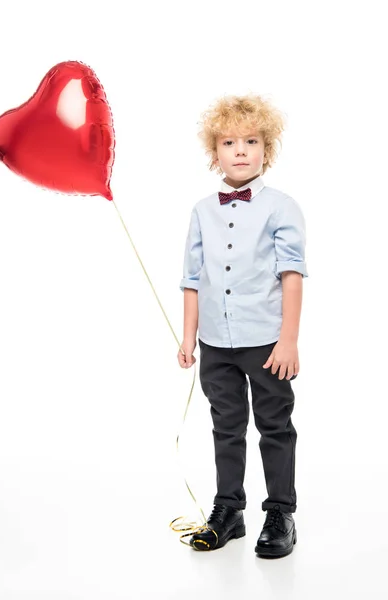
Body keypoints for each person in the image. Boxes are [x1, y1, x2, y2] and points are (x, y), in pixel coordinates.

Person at [177, 94, 308, 557]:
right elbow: (192, 280)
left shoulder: (282, 208)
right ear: (214, 154)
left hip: (266, 342)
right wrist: (189, 337)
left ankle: (280, 513)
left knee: (275, 425)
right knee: (225, 426)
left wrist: (288, 340)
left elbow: (291, 277)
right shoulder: (201, 212)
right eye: (229, 142)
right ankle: (228, 510)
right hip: (216, 343)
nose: (239, 150)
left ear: (265, 150)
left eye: (250, 141)